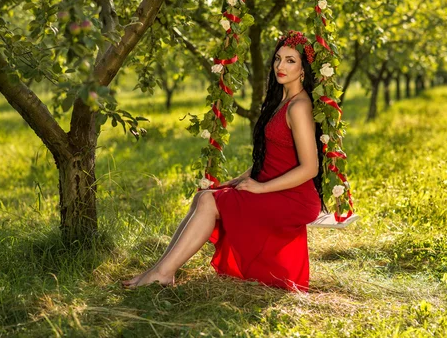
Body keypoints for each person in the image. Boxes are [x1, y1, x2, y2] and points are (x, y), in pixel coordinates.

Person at [122, 30, 326, 291]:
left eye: (290, 61)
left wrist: (260, 188)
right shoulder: (280, 102)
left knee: (208, 201)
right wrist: (236, 181)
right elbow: (272, 159)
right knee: (204, 195)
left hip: (294, 197)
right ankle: (159, 269)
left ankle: (163, 273)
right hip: (273, 185)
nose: (280, 66)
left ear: (302, 70)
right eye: (277, 59)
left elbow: (310, 168)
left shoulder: (299, 106)